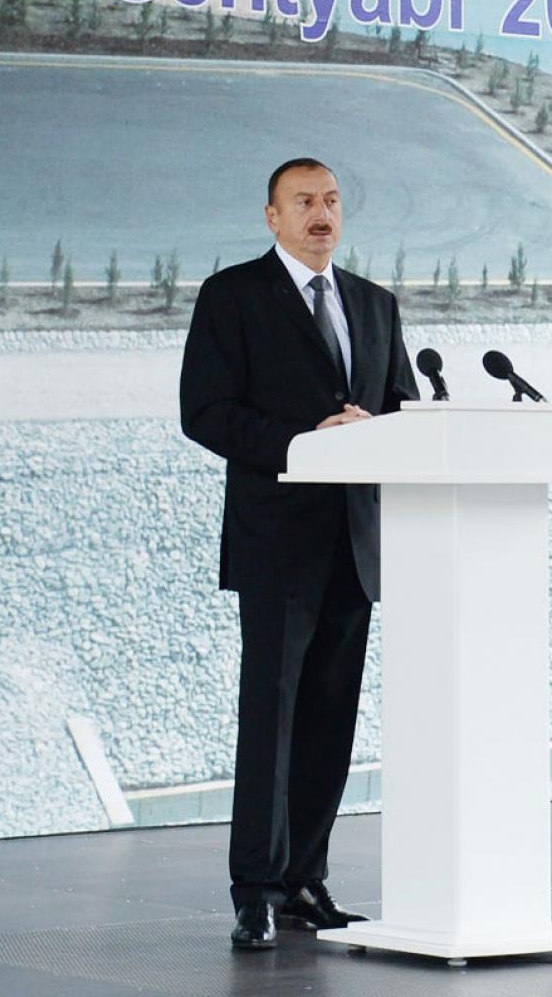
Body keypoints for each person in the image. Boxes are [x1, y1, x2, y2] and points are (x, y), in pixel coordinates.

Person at [178, 156, 419, 950]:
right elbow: (205, 412)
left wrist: (385, 433)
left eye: (333, 201)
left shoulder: (375, 305)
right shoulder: (234, 297)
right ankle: (254, 887)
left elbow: (404, 413)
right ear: (272, 217)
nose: (323, 214)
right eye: (305, 202)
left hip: (355, 544)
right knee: (272, 720)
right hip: (279, 543)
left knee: (328, 722)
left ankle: (305, 880)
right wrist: (299, 442)